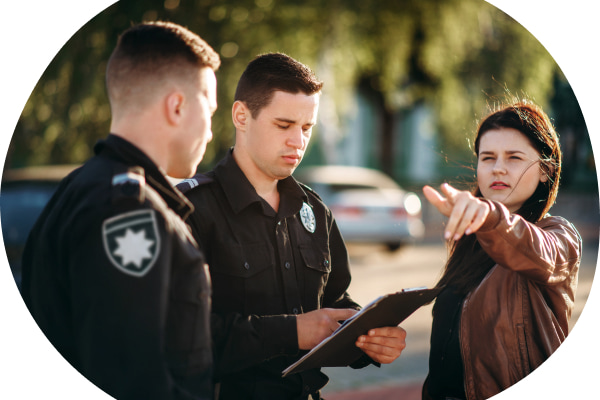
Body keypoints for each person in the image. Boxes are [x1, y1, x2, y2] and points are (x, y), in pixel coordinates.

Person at [176, 52, 407, 400]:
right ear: (242, 116)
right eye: (284, 126)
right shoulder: (191, 210)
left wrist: (369, 337)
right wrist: (292, 331)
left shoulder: (314, 210)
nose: (298, 142)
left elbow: (332, 301)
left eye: (307, 128)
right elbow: (179, 336)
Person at [20, 21, 220, 400]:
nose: (210, 132)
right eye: (208, 110)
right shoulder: (128, 211)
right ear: (177, 106)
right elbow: (130, 381)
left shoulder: (78, 188)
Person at [421, 100, 581, 400]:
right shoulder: (471, 239)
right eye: (488, 157)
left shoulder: (559, 236)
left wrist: (489, 216)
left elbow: (539, 250)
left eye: (514, 158)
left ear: (545, 170)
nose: (498, 168)